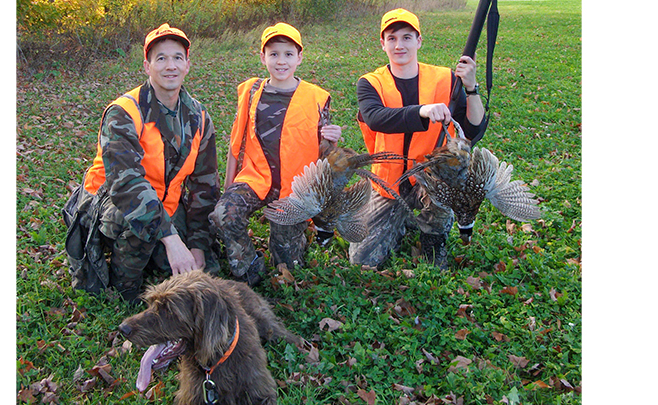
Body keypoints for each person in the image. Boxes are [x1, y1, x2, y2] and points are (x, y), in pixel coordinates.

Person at [62, 23, 220, 304]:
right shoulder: (124, 111)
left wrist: (196, 245)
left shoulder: (199, 117)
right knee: (142, 222)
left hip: (165, 204)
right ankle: (124, 289)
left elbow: (204, 186)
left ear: (187, 65)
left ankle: (158, 251)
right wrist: (171, 240)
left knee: (204, 263)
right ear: (147, 66)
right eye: (161, 58)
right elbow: (126, 185)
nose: (169, 66)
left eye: (177, 58)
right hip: (111, 205)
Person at [349, 8, 488, 269]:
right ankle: (403, 219)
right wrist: (422, 111)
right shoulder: (370, 83)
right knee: (361, 261)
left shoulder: (445, 79)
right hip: (388, 184)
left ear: (419, 41)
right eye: (392, 38)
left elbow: (472, 131)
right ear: (382, 44)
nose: (399, 45)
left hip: (429, 178)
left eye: (407, 37)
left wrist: (471, 88)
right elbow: (377, 118)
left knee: (450, 172)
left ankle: (433, 241)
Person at [209, 22, 342, 286]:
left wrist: (332, 140)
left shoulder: (316, 97)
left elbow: (324, 157)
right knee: (223, 215)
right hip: (255, 180)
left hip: (293, 190)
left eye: (288, 54)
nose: (281, 61)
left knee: (287, 265)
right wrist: (228, 188)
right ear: (263, 57)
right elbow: (235, 146)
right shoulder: (250, 92)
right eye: (274, 54)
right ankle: (248, 266)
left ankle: (296, 238)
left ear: (299, 57)